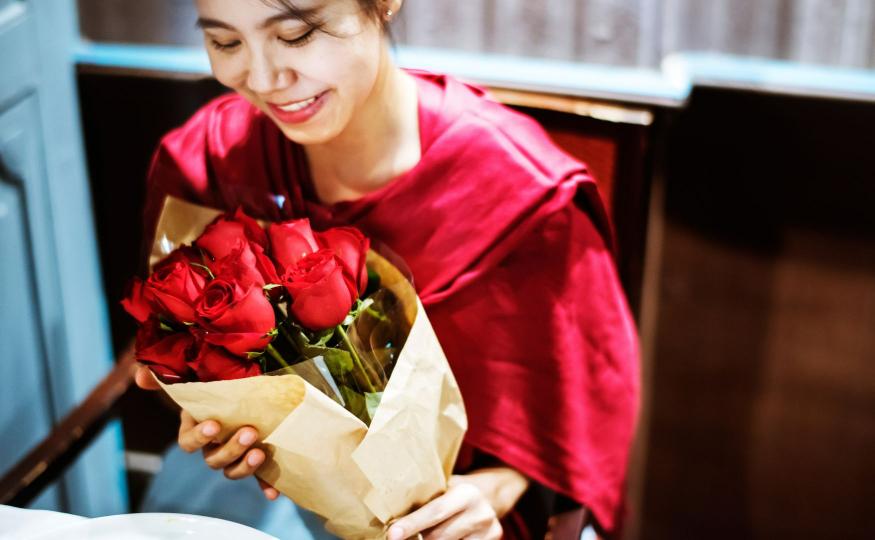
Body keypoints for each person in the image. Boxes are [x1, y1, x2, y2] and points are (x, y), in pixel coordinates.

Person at [133, 0, 639, 538]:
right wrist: (211, 417)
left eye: (298, 34)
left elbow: (580, 418)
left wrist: (492, 490)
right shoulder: (207, 163)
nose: (262, 79)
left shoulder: (519, 191)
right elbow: (168, 362)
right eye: (226, 42)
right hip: (267, 497)